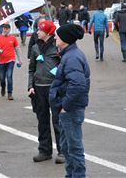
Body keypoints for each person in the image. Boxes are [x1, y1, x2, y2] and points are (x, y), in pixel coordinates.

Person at [49, 24, 90, 178]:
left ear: (65, 40)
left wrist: (65, 105)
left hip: (70, 110)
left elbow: (78, 84)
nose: (54, 37)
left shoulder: (72, 57)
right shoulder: (68, 54)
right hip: (67, 110)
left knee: (74, 148)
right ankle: (71, 175)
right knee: (67, 148)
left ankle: (78, 175)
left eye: (57, 36)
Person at [28, 20, 64, 164]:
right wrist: (30, 86)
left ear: (48, 32)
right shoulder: (35, 48)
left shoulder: (57, 47)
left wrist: (56, 74)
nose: (37, 32)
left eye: (40, 30)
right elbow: (31, 69)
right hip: (38, 88)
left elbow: (63, 66)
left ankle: (62, 151)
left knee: (57, 121)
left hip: (53, 88)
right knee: (42, 121)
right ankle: (44, 150)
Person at [0, 23, 23, 100]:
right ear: (2, 29)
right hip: (1, 61)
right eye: (4, 29)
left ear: (9, 29)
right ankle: (3, 87)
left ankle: (10, 93)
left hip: (11, 60)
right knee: (2, 78)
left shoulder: (13, 38)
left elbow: (17, 49)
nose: (5, 30)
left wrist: (20, 60)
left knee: (9, 76)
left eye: (7, 29)